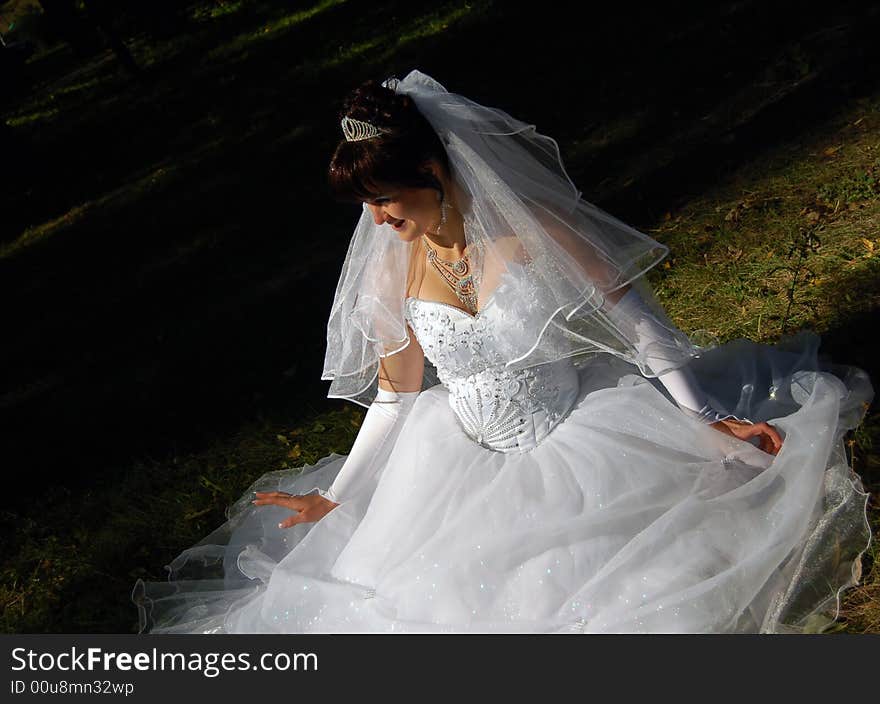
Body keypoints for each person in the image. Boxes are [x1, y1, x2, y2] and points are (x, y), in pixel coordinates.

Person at [133, 70, 872, 634]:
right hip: (454, 463)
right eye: (365, 206)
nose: (376, 219)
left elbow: (635, 319)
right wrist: (337, 495)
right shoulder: (394, 264)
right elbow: (396, 395)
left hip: (576, 439)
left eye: (382, 198)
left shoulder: (530, 230)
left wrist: (705, 416)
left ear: (429, 174)